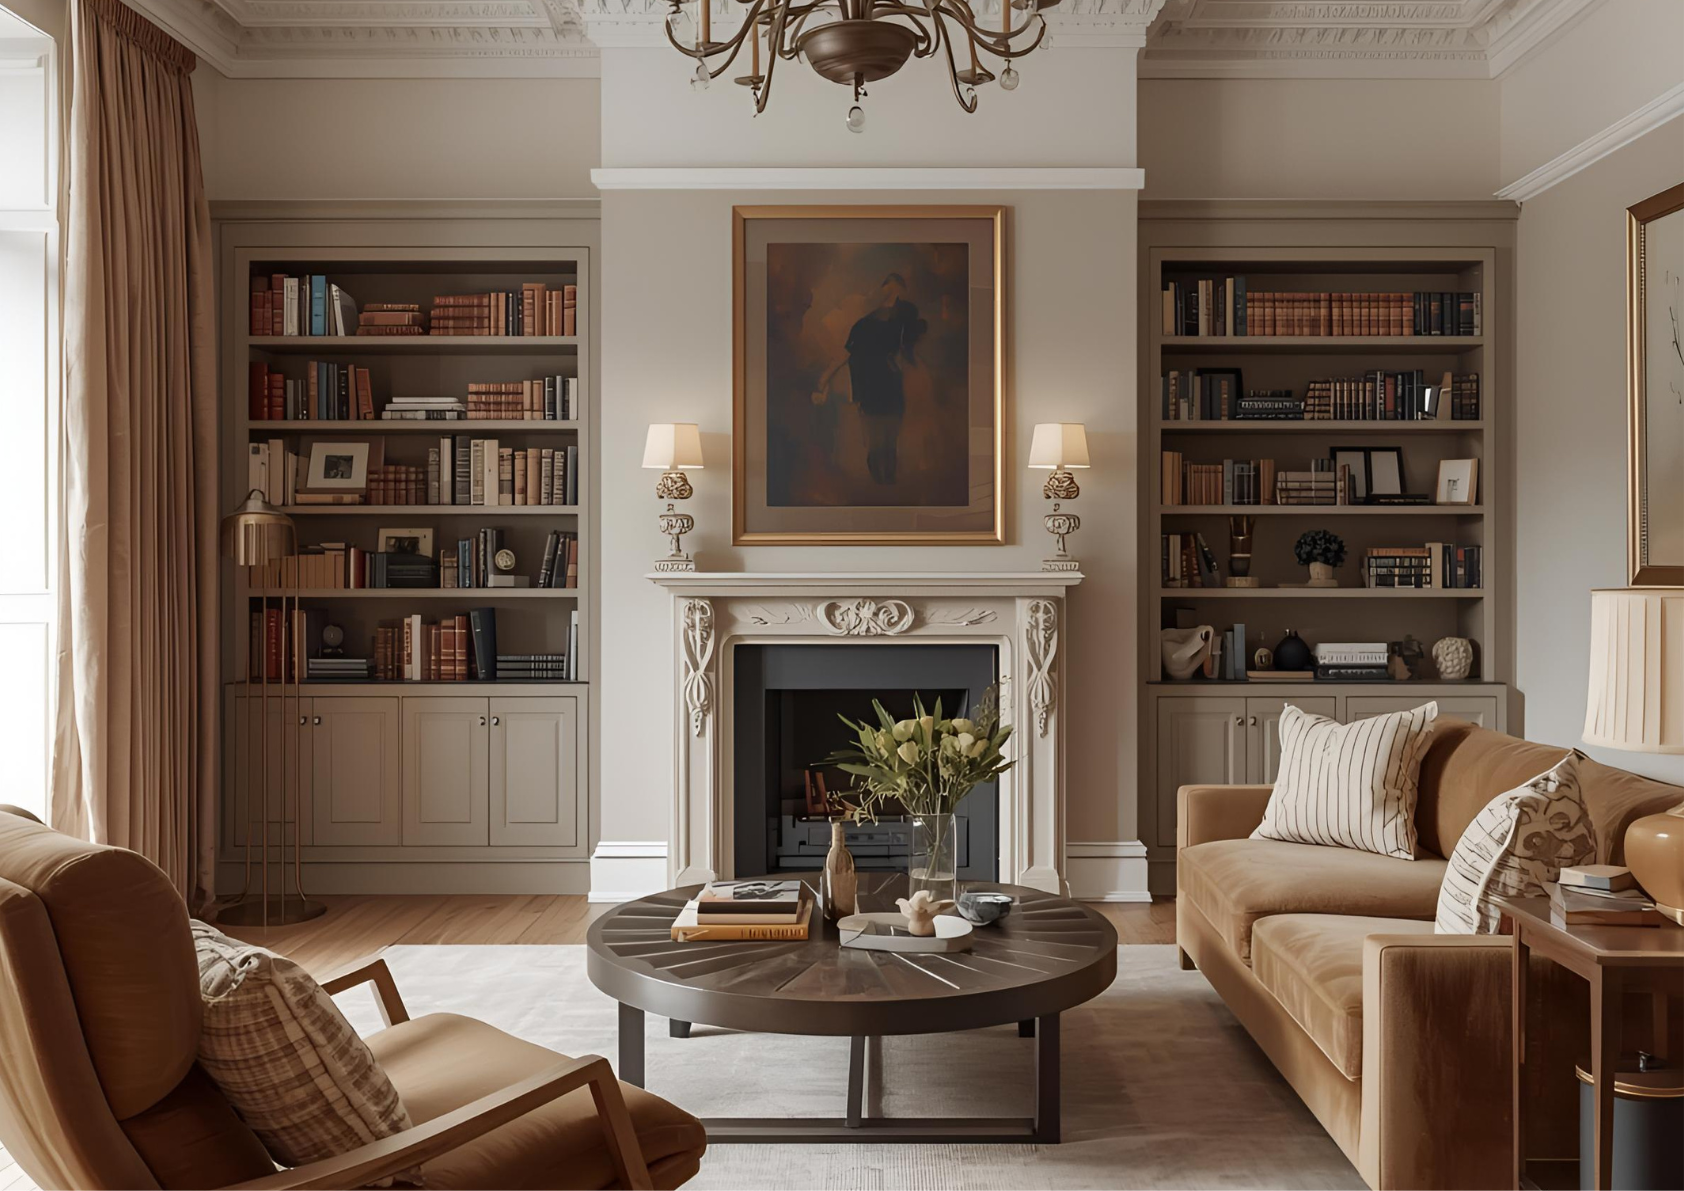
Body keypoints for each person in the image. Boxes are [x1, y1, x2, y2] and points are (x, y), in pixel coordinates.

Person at [812, 272, 927, 486]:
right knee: (878, 442)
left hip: (890, 392)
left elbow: (909, 352)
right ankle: (882, 486)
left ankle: (887, 485)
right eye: (890, 293)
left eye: (896, 294)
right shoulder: (863, 325)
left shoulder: (900, 325)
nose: (893, 300)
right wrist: (824, 381)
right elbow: (844, 356)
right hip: (871, 392)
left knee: (889, 441)